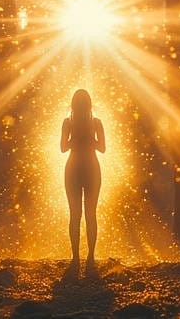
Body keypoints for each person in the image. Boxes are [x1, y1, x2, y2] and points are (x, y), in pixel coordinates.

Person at [60, 89, 105, 268]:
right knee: (89, 214)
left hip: (74, 168)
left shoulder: (69, 123)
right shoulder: (95, 123)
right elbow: (102, 148)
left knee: (76, 214)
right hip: (91, 168)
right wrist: (87, 140)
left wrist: (77, 141)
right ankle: (89, 257)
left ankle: (78, 257)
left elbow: (63, 148)